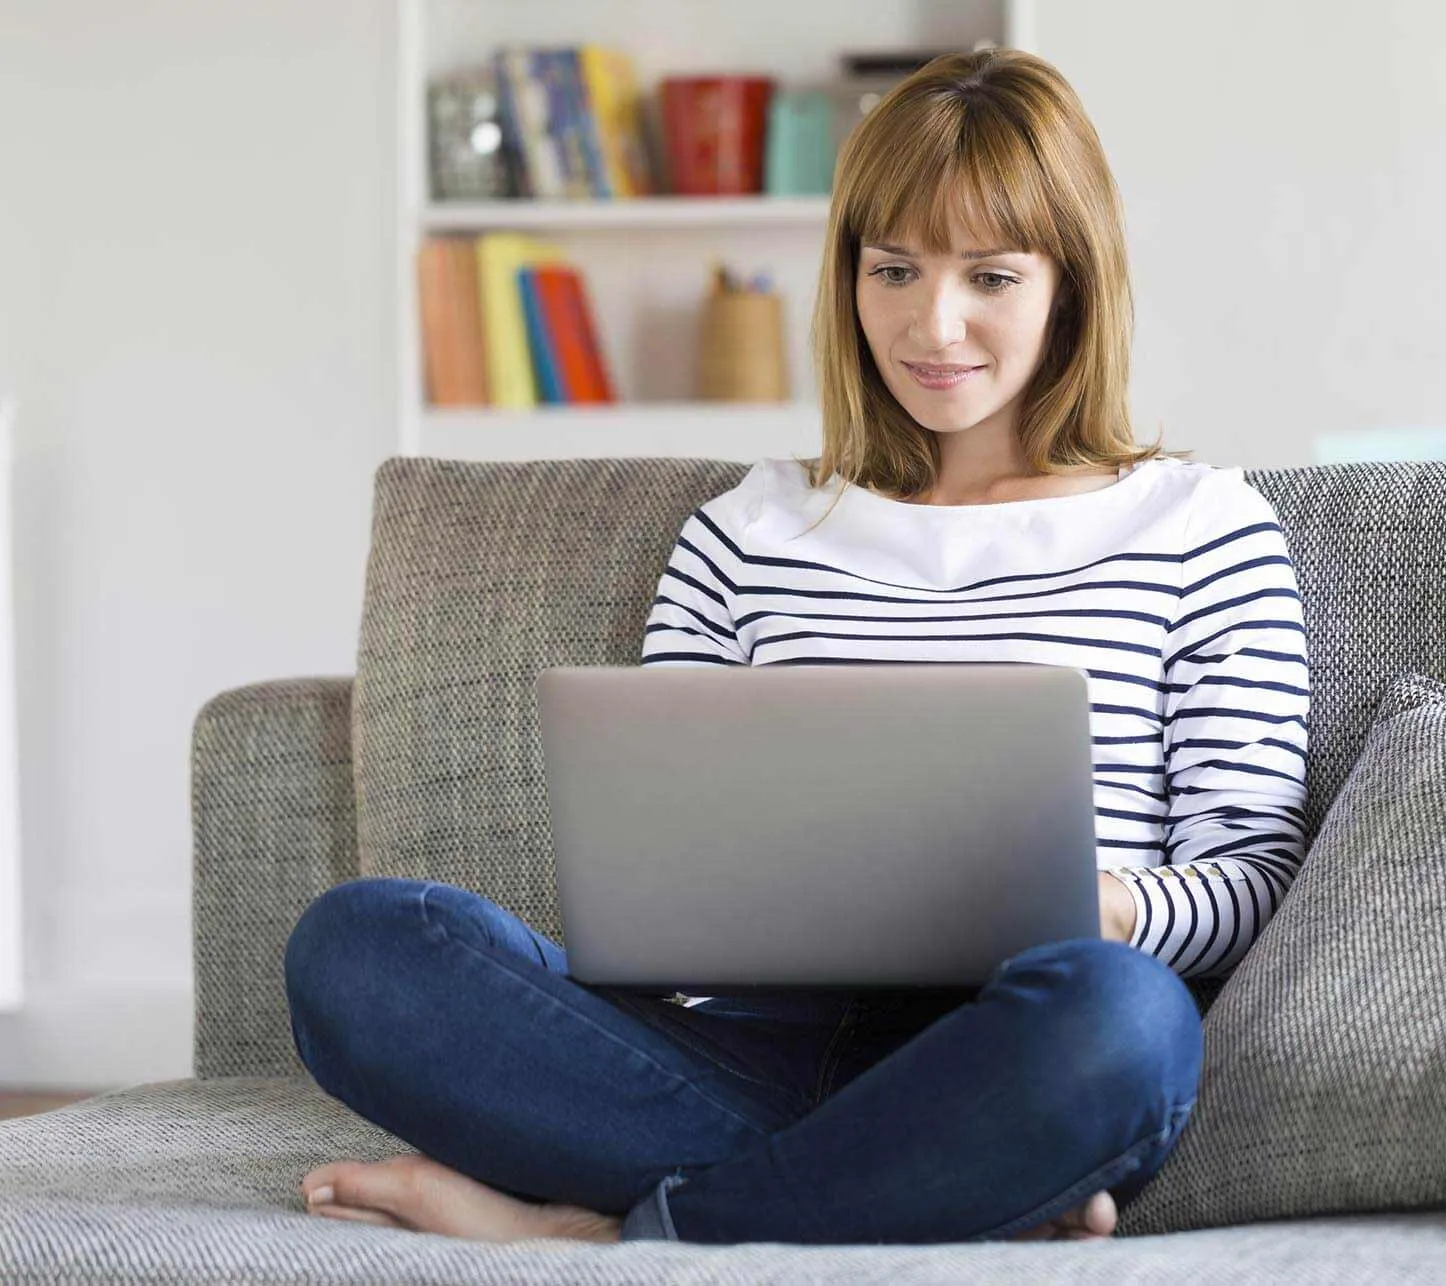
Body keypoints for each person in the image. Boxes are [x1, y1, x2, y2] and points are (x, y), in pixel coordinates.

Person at [282, 47, 1310, 1247]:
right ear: (848, 277)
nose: (934, 324)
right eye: (894, 271)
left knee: (1124, 1024)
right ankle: (921, 1190)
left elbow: (1250, 877)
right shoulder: (748, 528)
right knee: (358, 949)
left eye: (989, 275)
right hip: (738, 1043)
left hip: (1020, 1032)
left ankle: (611, 1235)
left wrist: (1117, 906)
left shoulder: (1197, 527)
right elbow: (656, 859)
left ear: (1069, 283)